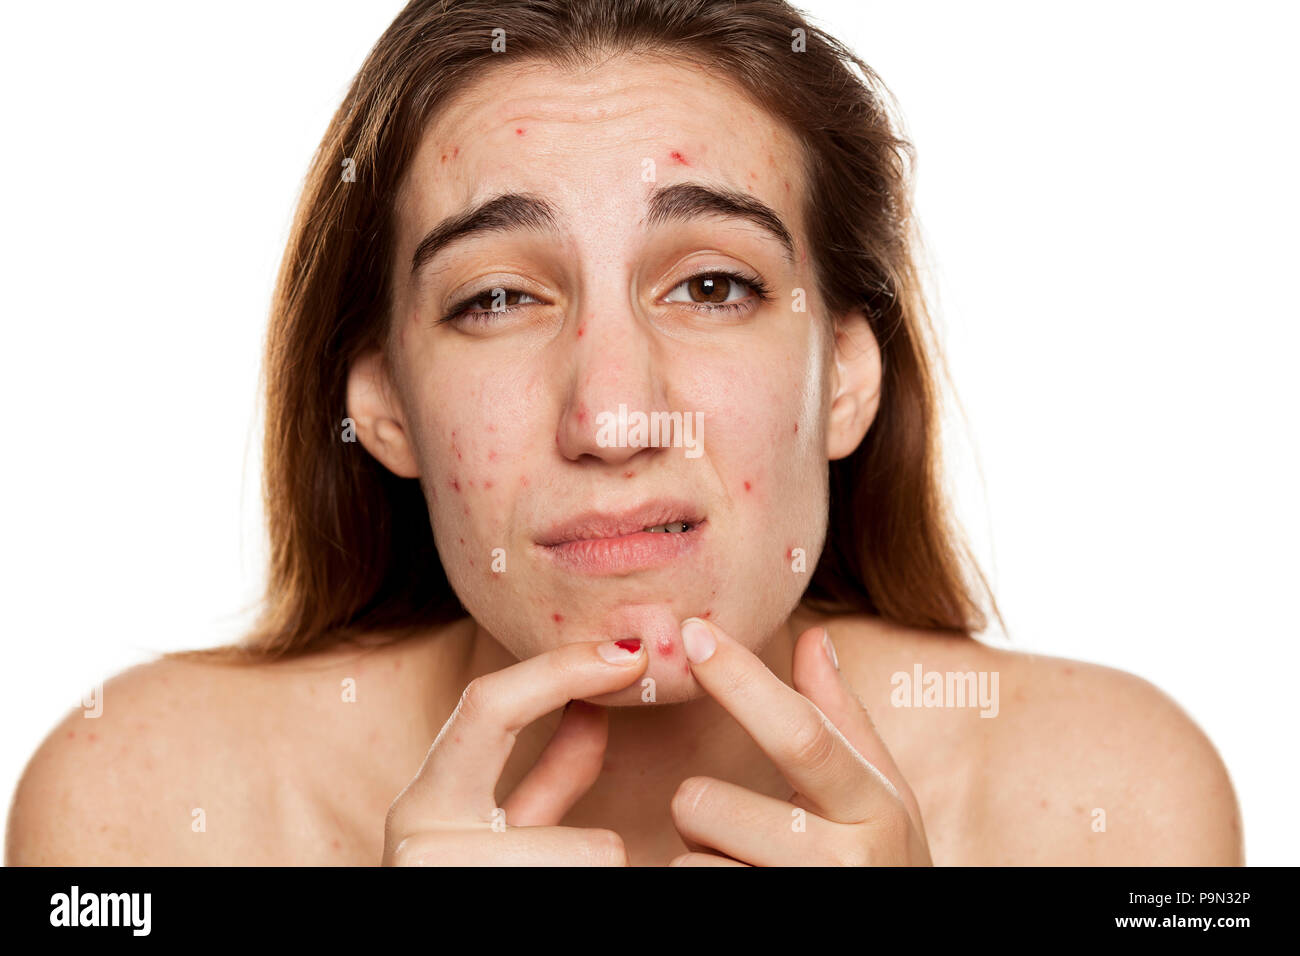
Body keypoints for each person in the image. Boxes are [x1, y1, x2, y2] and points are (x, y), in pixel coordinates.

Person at [6, 0, 1242, 866]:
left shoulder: (1111, 795)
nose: (609, 416)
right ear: (381, 404)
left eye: (711, 285)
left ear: (848, 376)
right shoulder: (138, 803)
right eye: (497, 298)